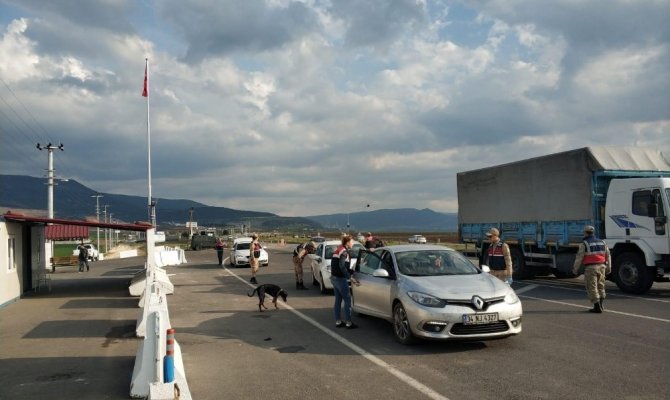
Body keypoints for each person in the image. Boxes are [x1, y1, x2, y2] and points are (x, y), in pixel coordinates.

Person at [572, 225, 611, 313]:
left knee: (592, 287)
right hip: (602, 266)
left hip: (591, 268)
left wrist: (575, 269)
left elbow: (579, 258)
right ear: (593, 232)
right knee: (601, 286)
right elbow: (608, 256)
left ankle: (596, 307)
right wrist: (609, 267)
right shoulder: (602, 242)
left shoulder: (584, 244)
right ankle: (601, 305)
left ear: (585, 233)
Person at [330, 235, 359, 329]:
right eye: (352, 241)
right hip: (340, 279)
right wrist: (350, 277)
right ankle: (349, 323)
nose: (353, 243)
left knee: (338, 300)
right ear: (347, 242)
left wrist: (352, 271)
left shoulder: (339, 249)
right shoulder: (344, 252)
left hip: (334, 278)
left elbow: (340, 266)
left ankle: (338, 321)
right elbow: (342, 266)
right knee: (347, 300)